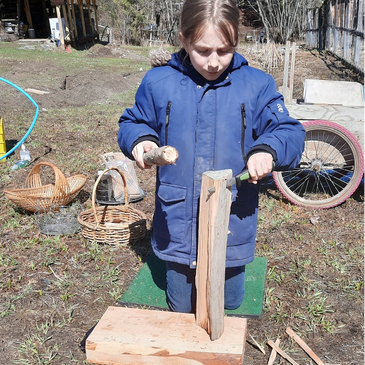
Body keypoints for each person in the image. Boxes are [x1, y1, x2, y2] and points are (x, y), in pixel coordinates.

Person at [118, 0, 305, 313]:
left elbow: (289, 132)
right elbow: (134, 122)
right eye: (203, 50)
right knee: (180, 304)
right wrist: (141, 141)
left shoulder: (257, 85)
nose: (215, 62)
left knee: (230, 303)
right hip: (178, 221)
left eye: (225, 50)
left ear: (236, 42)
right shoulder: (158, 83)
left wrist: (267, 150)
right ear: (184, 40)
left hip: (232, 218)